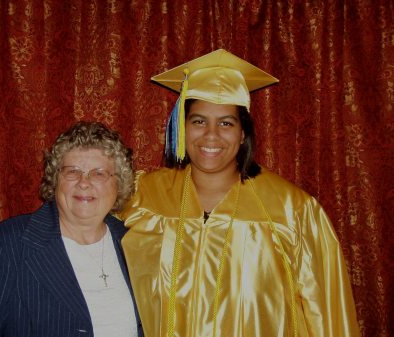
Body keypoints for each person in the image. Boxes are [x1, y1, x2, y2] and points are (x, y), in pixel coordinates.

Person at [121, 49, 360, 337]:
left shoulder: (292, 209)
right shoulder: (141, 195)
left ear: (243, 133)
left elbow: (329, 314)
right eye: (198, 121)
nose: (211, 135)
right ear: (181, 128)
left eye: (226, 123)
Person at [0, 121, 143, 337]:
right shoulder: (9, 244)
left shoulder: (136, 243)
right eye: (72, 172)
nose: (84, 182)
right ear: (55, 179)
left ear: (119, 183)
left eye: (99, 173)